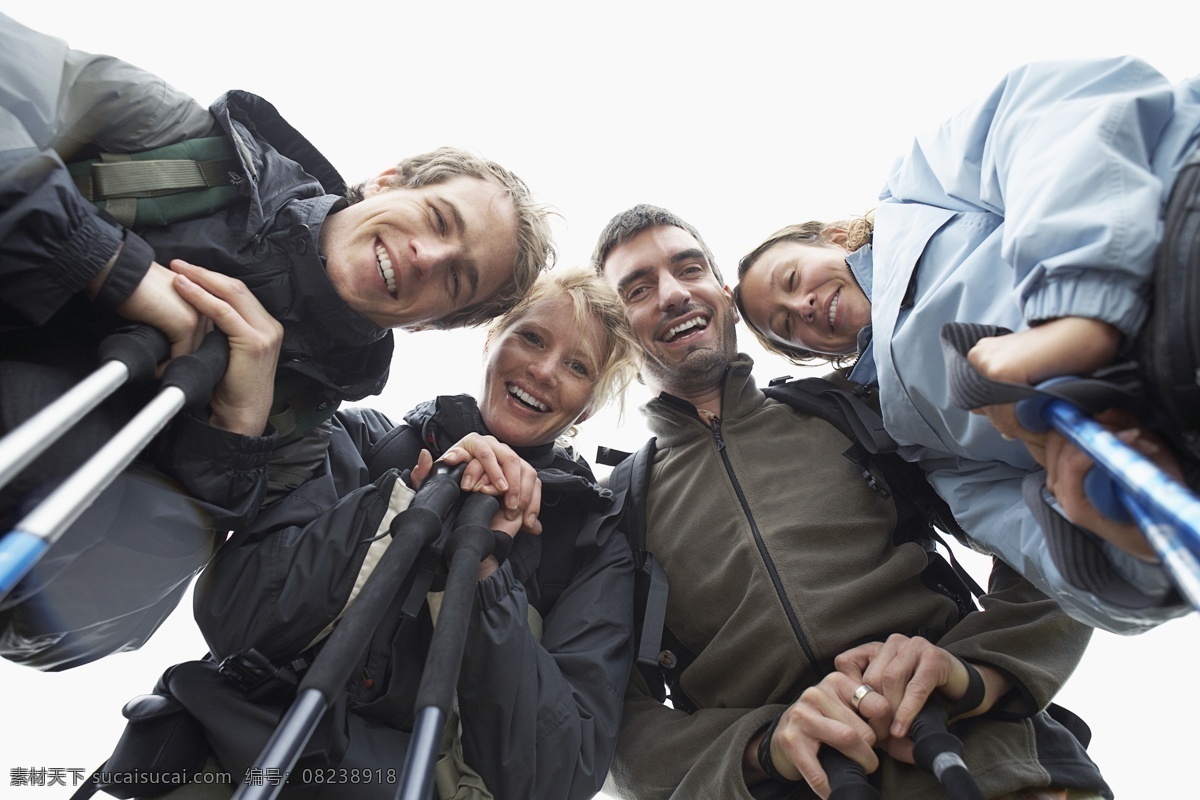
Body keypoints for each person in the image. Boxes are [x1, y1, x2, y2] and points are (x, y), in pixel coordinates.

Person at [0, 12, 554, 669]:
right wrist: (104, 263)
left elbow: (56, 634)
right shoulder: (181, 149)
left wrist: (229, 439)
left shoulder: (289, 444)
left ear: (427, 325)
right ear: (386, 180)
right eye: (437, 218)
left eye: (457, 279)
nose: (426, 256)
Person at [593, 205, 1111, 800]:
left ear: (725, 294)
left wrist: (980, 674)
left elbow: (1055, 508)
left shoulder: (861, 407)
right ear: (613, 332)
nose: (674, 293)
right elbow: (612, 729)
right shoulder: (614, 510)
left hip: (997, 766)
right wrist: (765, 745)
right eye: (638, 289)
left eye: (690, 269)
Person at [128, 269, 639, 800]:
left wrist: (486, 573)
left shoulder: (592, 547)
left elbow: (558, 775)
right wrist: (403, 506)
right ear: (492, 339)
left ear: (588, 406)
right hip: (223, 767)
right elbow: (237, 617)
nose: (543, 369)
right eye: (531, 337)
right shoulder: (363, 441)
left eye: (577, 366)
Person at [732, 56, 1200, 630]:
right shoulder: (919, 444)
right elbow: (1043, 548)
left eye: (791, 280)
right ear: (820, 358)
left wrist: (1074, 314)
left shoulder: (916, 192)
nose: (800, 308)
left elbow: (1050, 114)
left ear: (830, 238)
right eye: (787, 327)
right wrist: (1113, 530)